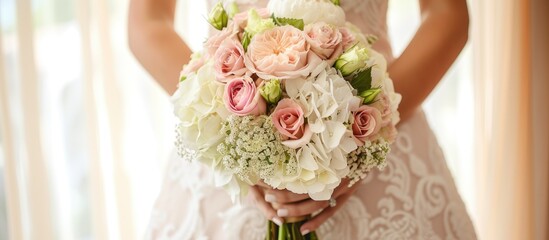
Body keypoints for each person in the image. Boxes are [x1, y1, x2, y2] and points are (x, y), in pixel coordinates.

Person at [129, 0, 477, 239]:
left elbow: (448, 15)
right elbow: (147, 23)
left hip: (380, 143)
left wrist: (359, 134)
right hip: (228, 155)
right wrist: (230, 132)